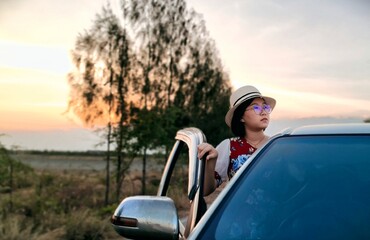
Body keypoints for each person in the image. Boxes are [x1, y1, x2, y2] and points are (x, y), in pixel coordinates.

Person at [198, 85, 276, 196]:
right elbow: (206, 191)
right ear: (241, 117)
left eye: (265, 107)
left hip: (275, 212)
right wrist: (211, 162)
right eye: (256, 108)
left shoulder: (276, 144)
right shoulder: (229, 146)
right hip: (240, 212)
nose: (264, 112)